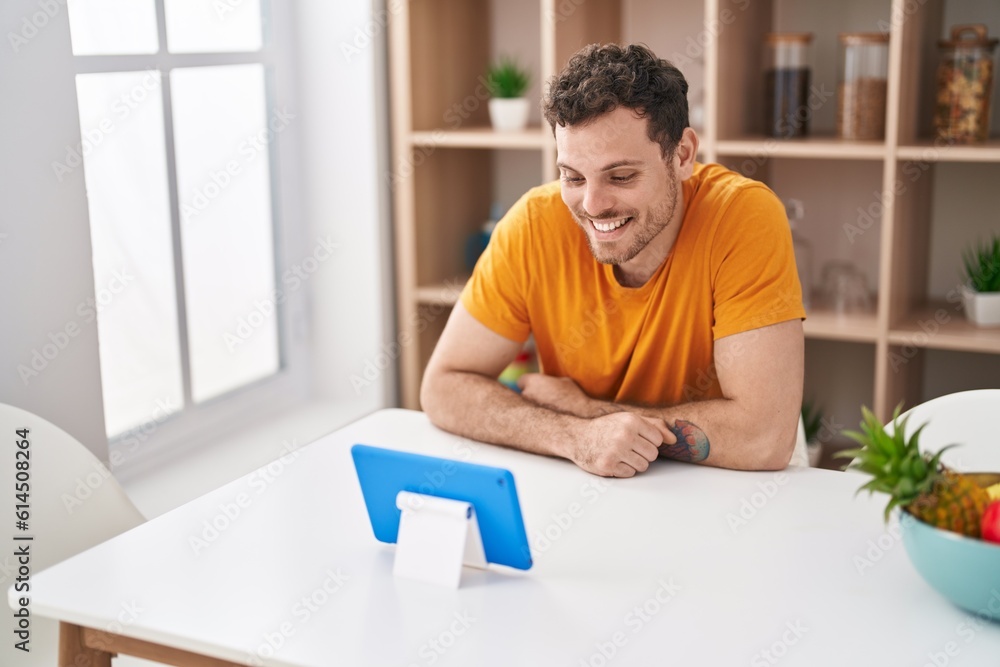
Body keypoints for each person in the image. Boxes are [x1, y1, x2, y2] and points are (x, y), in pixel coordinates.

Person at [421, 43, 806, 478]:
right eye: (573, 177)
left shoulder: (742, 216)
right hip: (589, 476)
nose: (592, 204)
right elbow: (443, 387)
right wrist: (572, 435)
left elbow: (764, 438)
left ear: (681, 156)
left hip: (724, 487)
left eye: (621, 176)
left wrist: (587, 411)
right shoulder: (534, 223)